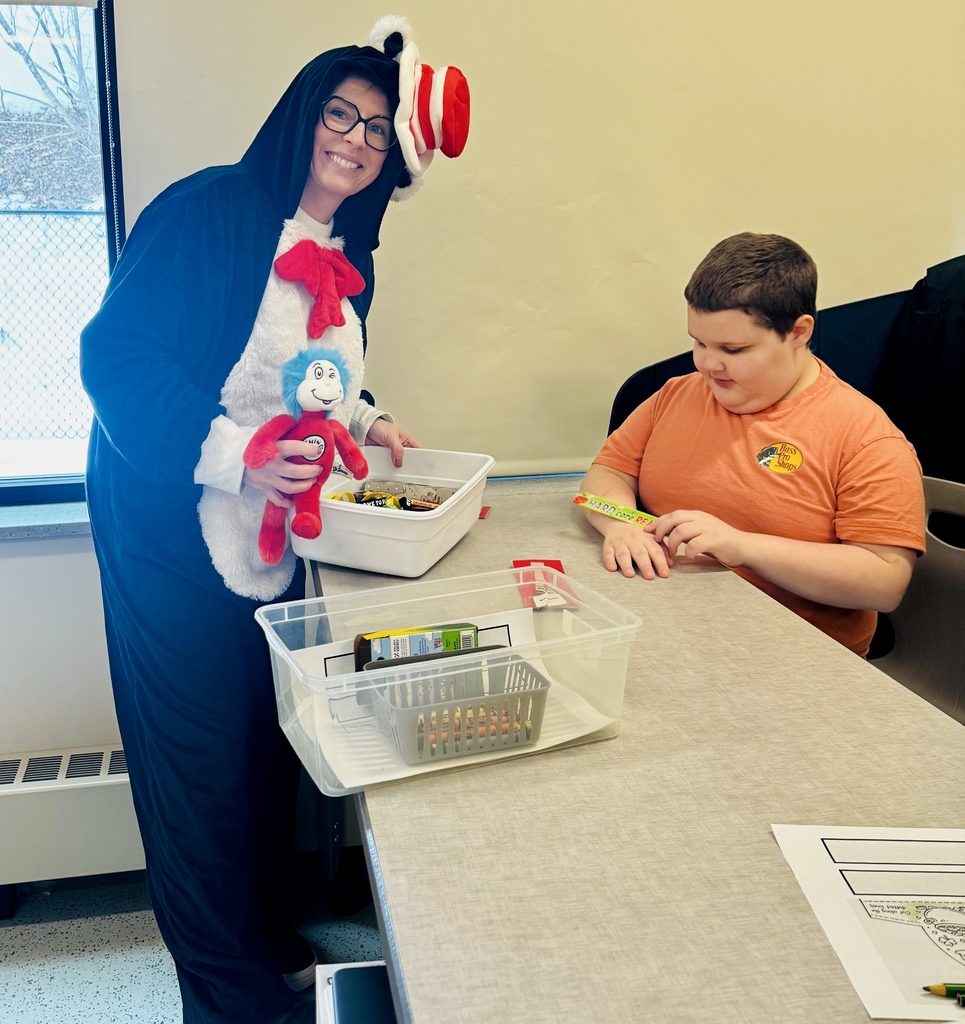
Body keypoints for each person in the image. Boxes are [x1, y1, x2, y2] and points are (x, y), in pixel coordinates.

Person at [79, 16, 468, 1024]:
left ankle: (261, 929)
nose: (354, 140)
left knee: (265, 732)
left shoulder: (346, 247)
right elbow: (115, 358)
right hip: (169, 520)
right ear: (300, 114)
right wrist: (237, 453)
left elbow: (308, 370)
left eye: (375, 128)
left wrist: (366, 418)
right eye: (338, 114)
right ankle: (228, 994)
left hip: (271, 524)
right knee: (198, 757)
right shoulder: (207, 209)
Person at [581, 232, 925, 658]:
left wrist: (743, 547)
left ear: (798, 332)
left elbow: (885, 582)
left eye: (733, 349)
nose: (708, 364)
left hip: (790, 658)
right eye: (699, 342)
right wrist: (621, 525)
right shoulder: (675, 395)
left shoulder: (866, 439)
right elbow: (607, 473)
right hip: (668, 627)